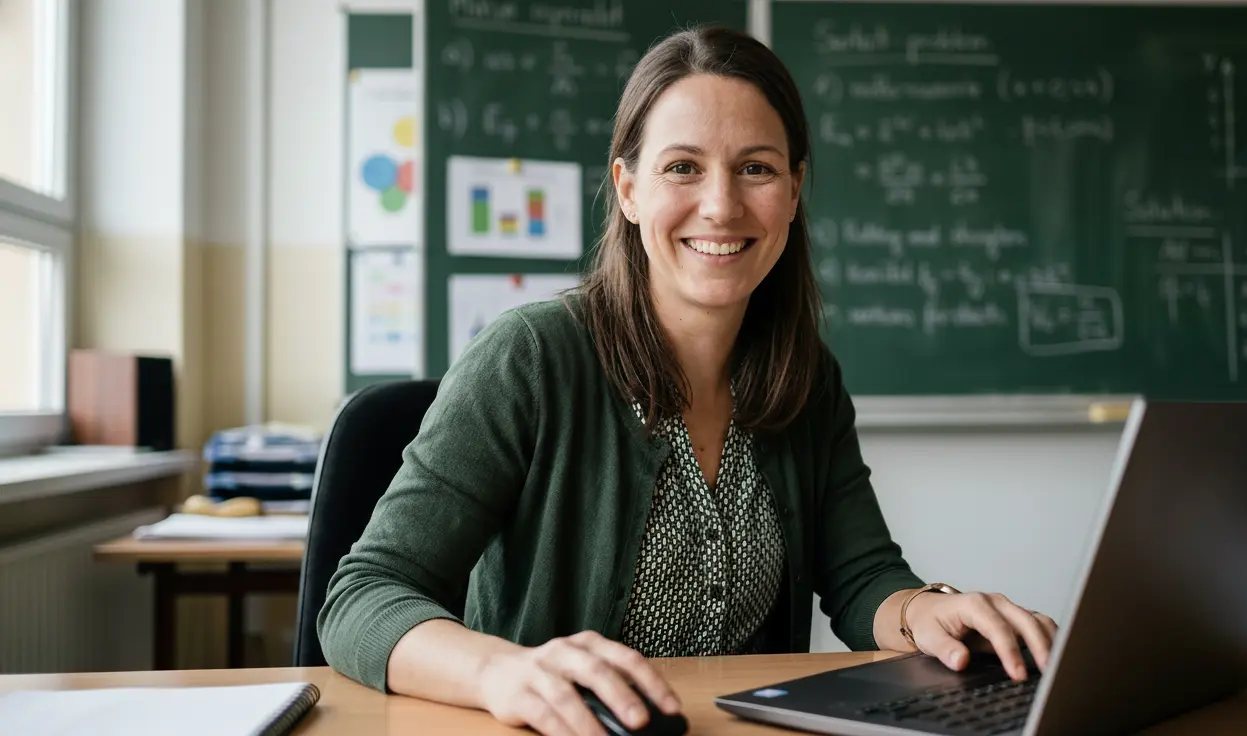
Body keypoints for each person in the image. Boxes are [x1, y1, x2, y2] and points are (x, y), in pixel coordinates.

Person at [318, 24, 1058, 736]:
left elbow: (863, 576)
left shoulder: (805, 378)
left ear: (794, 189)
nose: (721, 206)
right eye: (682, 167)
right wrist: (502, 673)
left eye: (756, 168)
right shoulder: (530, 358)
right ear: (628, 189)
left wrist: (929, 611)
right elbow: (363, 595)